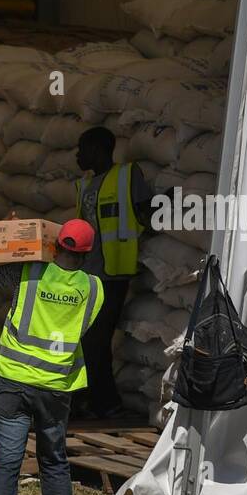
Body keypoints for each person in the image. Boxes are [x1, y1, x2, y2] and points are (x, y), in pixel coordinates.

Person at [0, 219, 104, 495]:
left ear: (55, 245)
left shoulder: (30, 271)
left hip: (14, 382)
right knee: (54, 461)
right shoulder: (95, 289)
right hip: (55, 388)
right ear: (86, 253)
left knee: (6, 466)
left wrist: (7, 233)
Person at [73, 126, 155, 417]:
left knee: (96, 339)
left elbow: (146, 213)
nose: (77, 155)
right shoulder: (84, 185)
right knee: (82, 339)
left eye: (81, 148)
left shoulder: (126, 176)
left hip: (112, 274)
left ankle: (107, 404)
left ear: (97, 149)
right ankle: (86, 399)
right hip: (85, 275)